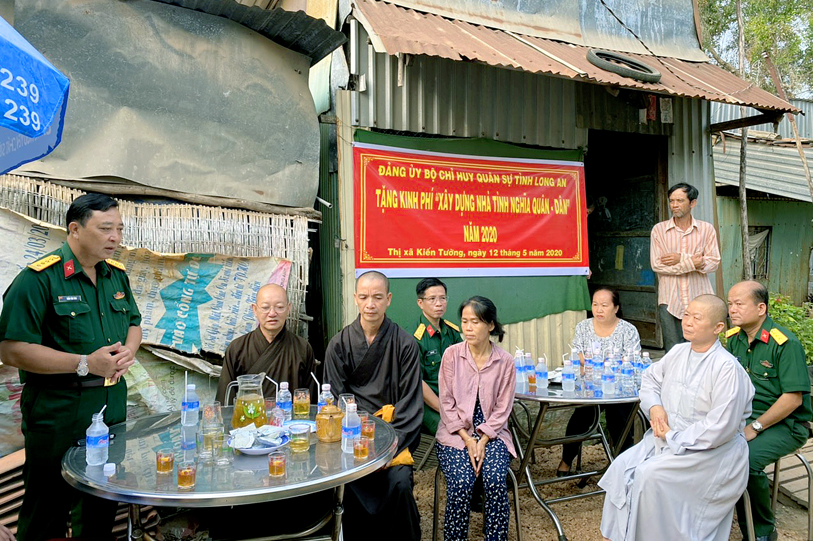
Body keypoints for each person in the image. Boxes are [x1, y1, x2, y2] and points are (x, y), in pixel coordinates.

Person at [0, 193, 142, 541]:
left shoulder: (116, 276)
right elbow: (11, 350)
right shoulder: (39, 279)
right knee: (47, 508)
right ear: (75, 229)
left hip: (111, 407)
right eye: (105, 228)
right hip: (59, 410)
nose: (115, 237)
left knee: (101, 505)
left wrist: (129, 351)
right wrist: (85, 363)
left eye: (119, 229)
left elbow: (134, 323)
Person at [598, 295, 754, 541]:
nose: (687, 322)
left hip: (709, 452)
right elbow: (650, 379)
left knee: (649, 475)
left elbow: (720, 427)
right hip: (665, 440)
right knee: (620, 467)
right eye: (687, 314)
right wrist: (655, 407)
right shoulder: (679, 352)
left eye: (697, 318)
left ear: (718, 327)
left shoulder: (726, 368)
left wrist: (673, 436)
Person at [323, 271, 423, 541]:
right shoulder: (339, 345)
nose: (370, 304)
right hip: (352, 441)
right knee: (345, 486)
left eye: (378, 297)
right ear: (355, 298)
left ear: (388, 299)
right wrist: (358, 445)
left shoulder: (405, 344)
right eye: (364, 297)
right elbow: (333, 403)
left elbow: (411, 403)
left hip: (393, 441)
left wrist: (385, 451)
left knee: (400, 484)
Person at [727, 281, 812, 541]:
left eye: (739, 304)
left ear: (761, 308)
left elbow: (793, 399)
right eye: (730, 304)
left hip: (786, 424)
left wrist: (755, 427)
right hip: (746, 418)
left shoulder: (785, 343)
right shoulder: (734, 339)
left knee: (746, 460)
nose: (732, 309)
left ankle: (762, 532)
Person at [436, 296, 515, 541]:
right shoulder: (451, 355)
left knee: (494, 479)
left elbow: (503, 409)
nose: (468, 328)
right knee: (461, 482)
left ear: (490, 325)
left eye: (475, 322)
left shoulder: (505, 361)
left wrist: (482, 440)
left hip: (494, 434)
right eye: (465, 321)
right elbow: (446, 403)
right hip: (455, 433)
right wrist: (468, 439)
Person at [557, 288, 640, 476]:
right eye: (595, 304)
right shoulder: (583, 327)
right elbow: (578, 354)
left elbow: (631, 359)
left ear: (616, 308)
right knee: (580, 419)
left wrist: (595, 363)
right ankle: (566, 460)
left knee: (619, 418)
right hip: (591, 386)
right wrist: (606, 363)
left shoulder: (628, 330)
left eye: (604, 305)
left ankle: (624, 467)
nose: (599, 309)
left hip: (619, 387)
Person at [215, 283, 316, 405]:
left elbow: (311, 400)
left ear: (288, 309)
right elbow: (225, 401)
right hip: (248, 416)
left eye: (279, 307)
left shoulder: (302, 348)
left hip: (290, 416)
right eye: (265, 307)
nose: (272, 313)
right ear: (255, 310)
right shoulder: (237, 349)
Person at [650, 182, 721, 351]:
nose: (674, 205)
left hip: (700, 299)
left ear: (692, 203)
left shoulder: (706, 229)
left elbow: (713, 263)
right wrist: (692, 263)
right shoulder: (659, 230)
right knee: (673, 351)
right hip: (670, 300)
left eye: (680, 200)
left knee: (702, 348)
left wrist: (681, 258)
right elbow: (657, 265)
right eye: (672, 201)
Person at [411, 277, 462, 435]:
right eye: (432, 299)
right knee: (455, 434)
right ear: (420, 303)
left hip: (456, 400)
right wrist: (445, 410)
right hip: (429, 405)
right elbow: (417, 383)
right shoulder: (414, 338)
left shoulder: (452, 332)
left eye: (442, 298)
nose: (439, 303)